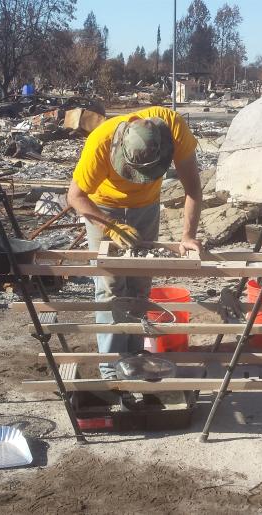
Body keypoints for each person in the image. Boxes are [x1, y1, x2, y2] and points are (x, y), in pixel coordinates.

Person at [66, 106, 202, 378]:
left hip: (146, 206)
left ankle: (135, 357)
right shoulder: (100, 143)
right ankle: (111, 368)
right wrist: (111, 225)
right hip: (104, 207)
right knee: (111, 288)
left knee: (140, 284)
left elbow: (193, 189)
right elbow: (75, 197)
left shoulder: (174, 128)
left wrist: (188, 236)